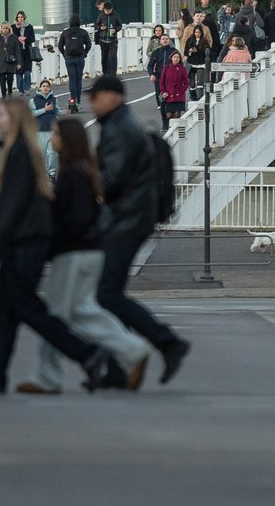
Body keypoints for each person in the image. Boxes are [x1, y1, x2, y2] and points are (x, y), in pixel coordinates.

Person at [0, 98, 108, 394]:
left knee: (28, 309)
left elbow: (12, 204)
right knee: (2, 314)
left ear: (13, 118)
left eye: (1, 115)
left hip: (24, 246)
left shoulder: (19, 153)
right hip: (28, 244)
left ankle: (86, 353)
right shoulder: (23, 150)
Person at [17, 118, 151, 395]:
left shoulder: (71, 176)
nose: (51, 138)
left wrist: (49, 243)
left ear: (66, 139)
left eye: (55, 133)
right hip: (90, 252)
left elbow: (73, 221)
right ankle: (132, 350)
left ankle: (48, 376)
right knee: (82, 311)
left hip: (73, 253)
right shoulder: (85, 172)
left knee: (54, 317)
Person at [86, 76, 190, 386]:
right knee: (109, 293)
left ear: (114, 97)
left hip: (128, 219)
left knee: (106, 293)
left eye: (97, 97)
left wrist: (82, 182)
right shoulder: (117, 124)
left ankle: (167, 342)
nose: (92, 103)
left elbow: (111, 177)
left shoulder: (120, 128)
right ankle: (121, 367)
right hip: (128, 217)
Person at [58, 14, 92, 113]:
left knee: (72, 80)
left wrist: (65, 54)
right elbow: (89, 45)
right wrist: (85, 53)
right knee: (78, 80)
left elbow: (60, 46)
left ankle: (73, 101)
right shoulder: (83, 32)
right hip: (80, 58)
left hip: (69, 59)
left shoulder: (65, 32)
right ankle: (78, 101)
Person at [146, 34, 178, 128]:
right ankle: (165, 123)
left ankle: (173, 122)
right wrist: (151, 74)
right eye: (163, 39)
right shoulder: (156, 52)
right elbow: (150, 65)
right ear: (160, 41)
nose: (165, 41)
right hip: (159, 78)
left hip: (172, 79)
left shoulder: (174, 51)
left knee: (171, 101)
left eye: (166, 39)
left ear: (169, 41)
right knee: (162, 101)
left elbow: (179, 64)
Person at [31, 79, 60, 177]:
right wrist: (44, 109)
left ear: (50, 88)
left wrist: (64, 112)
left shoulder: (54, 99)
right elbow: (31, 114)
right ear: (40, 88)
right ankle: (42, 173)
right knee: (41, 154)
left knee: (53, 152)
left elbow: (57, 111)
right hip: (39, 131)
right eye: (43, 86)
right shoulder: (33, 100)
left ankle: (52, 172)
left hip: (52, 130)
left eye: (47, 86)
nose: (45, 88)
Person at [158, 50, 189, 132]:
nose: (176, 59)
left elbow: (186, 82)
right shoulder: (166, 68)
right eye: (174, 57)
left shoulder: (182, 69)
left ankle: (174, 132)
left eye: (178, 57)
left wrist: (182, 90)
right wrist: (164, 91)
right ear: (171, 58)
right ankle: (169, 128)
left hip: (179, 96)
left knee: (177, 114)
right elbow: (161, 81)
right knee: (168, 115)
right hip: (168, 95)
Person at [0, 21, 22, 99]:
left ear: (9, 29)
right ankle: (4, 97)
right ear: (1, 29)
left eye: (6, 28)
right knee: (1, 80)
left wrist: (19, 63)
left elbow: (17, 50)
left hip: (11, 62)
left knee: (10, 79)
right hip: (0, 61)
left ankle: (10, 93)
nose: (5, 30)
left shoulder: (14, 37)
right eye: (3, 28)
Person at [94, 1, 122, 77]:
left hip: (113, 40)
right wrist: (100, 28)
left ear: (111, 9)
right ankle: (105, 73)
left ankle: (113, 74)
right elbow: (96, 25)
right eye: (106, 10)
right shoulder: (101, 16)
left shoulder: (116, 16)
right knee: (104, 57)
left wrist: (115, 30)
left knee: (113, 57)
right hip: (103, 40)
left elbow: (120, 25)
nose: (107, 12)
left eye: (108, 10)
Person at [183, 24, 210, 101]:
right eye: (195, 32)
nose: (197, 34)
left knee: (199, 81)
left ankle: (200, 97)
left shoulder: (204, 41)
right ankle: (193, 96)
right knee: (191, 83)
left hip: (201, 63)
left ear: (201, 33)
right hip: (191, 63)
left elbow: (207, 52)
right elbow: (185, 51)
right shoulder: (190, 40)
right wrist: (190, 51)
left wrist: (198, 50)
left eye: (198, 32)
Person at [12, 10, 36, 94]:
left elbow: (33, 38)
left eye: (21, 17)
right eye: (18, 17)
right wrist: (18, 33)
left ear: (24, 17)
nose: (20, 19)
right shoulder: (13, 27)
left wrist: (25, 38)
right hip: (17, 51)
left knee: (27, 70)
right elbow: (12, 38)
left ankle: (27, 88)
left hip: (27, 51)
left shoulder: (29, 27)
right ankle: (20, 89)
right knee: (19, 71)